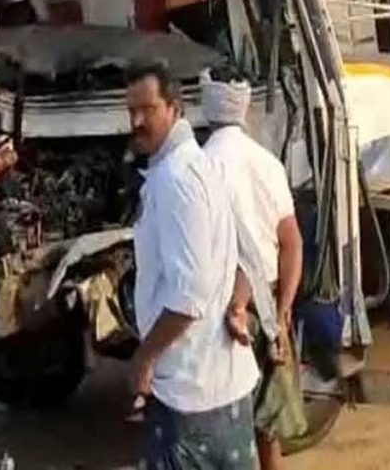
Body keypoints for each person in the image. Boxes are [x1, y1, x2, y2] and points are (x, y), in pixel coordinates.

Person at [126, 61, 260, 469]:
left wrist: (144, 357)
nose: (136, 121)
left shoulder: (175, 179)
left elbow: (188, 298)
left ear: (174, 108)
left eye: (147, 110)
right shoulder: (203, 166)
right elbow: (249, 257)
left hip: (190, 397)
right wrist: (238, 306)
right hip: (227, 389)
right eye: (130, 110)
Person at [201, 68, 307, 470]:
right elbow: (291, 243)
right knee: (268, 428)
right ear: (244, 108)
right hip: (268, 305)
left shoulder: (197, 168)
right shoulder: (268, 165)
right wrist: (281, 312)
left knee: (229, 428)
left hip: (223, 311)